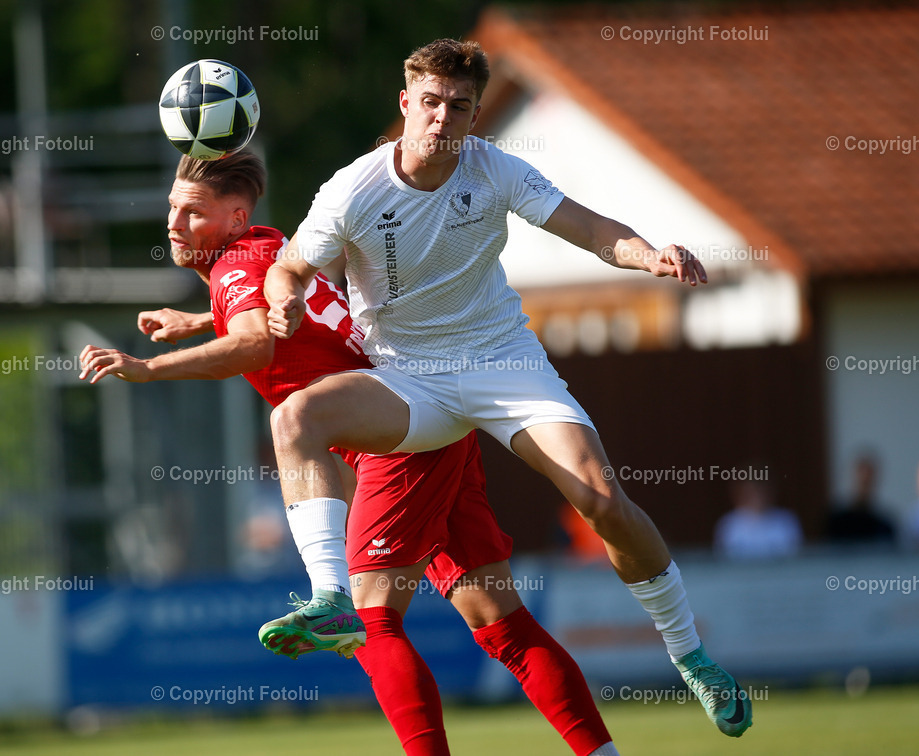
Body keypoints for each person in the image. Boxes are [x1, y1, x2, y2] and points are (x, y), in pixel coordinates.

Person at [264, 38, 751, 737]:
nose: (442, 118)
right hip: (409, 380)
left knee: (601, 500)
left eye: (459, 107)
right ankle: (329, 599)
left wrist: (649, 254)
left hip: (503, 365)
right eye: (430, 103)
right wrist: (284, 297)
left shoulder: (494, 169)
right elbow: (288, 267)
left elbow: (588, 226)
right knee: (295, 419)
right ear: (405, 103)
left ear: (475, 115)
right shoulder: (354, 189)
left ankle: (690, 655)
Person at [77, 152, 618, 755]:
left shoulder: (235, 263)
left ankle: (328, 598)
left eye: (192, 212)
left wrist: (148, 368)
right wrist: (203, 320)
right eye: (172, 208)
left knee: (370, 623)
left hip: (400, 435)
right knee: (500, 623)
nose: (174, 223)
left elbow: (253, 347)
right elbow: (273, 312)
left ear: (235, 218)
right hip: (434, 422)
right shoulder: (268, 247)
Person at [714, 478, 802, 560]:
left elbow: (794, 558)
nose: (757, 497)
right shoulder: (728, 524)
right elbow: (723, 560)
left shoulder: (786, 521)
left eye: (760, 491)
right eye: (751, 492)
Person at [827, 453, 896, 545]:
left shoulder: (884, 527)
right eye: (862, 482)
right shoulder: (836, 523)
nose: (864, 488)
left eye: (868, 482)